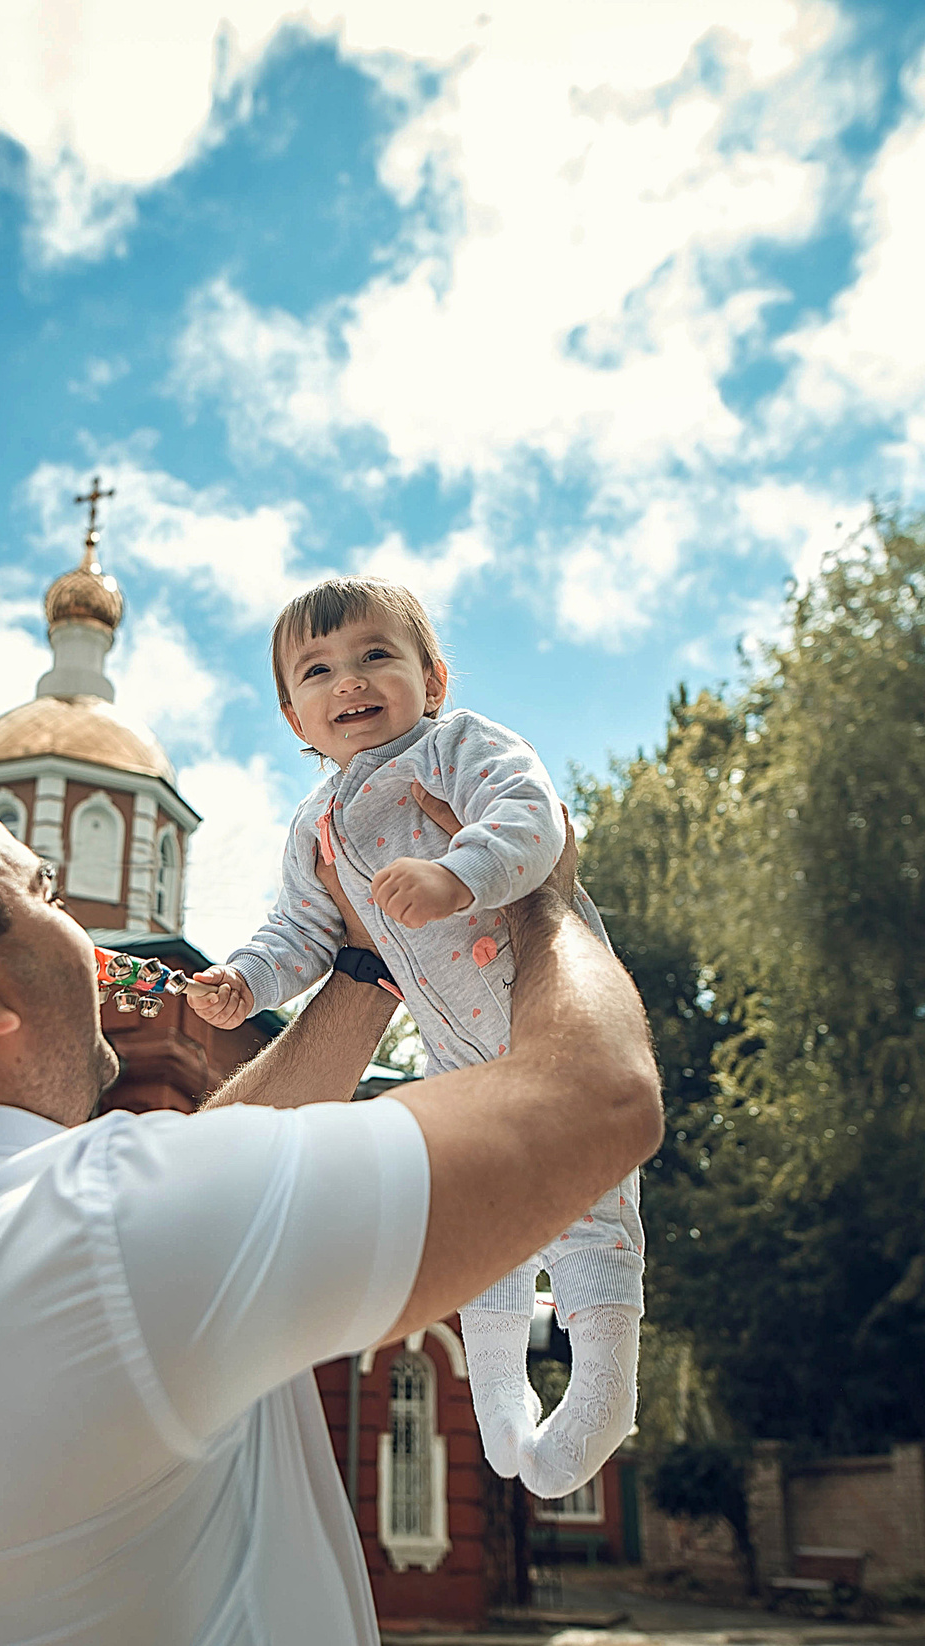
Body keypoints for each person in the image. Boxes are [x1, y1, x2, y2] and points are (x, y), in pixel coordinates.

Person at [0, 781, 657, 1646]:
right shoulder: (101, 1232)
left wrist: (366, 967)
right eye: (45, 898)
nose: (90, 943)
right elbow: (604, 1099)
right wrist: (538, 890)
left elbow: (183, 1215)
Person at [183, 577, 643, 1500]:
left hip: (540, 1004)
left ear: (431, 678)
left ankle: (603, 1389)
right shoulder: (314, 827)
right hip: (454, 1049)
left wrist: (455, 875)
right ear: (294, 719)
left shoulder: (460, 745)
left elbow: (533, 820)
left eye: (375, 656)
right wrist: (245, 980)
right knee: (478, 1211)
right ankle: (502, 1399)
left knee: (590, 1197)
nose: (349, 680)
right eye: (318, 670)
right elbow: (302, 934)